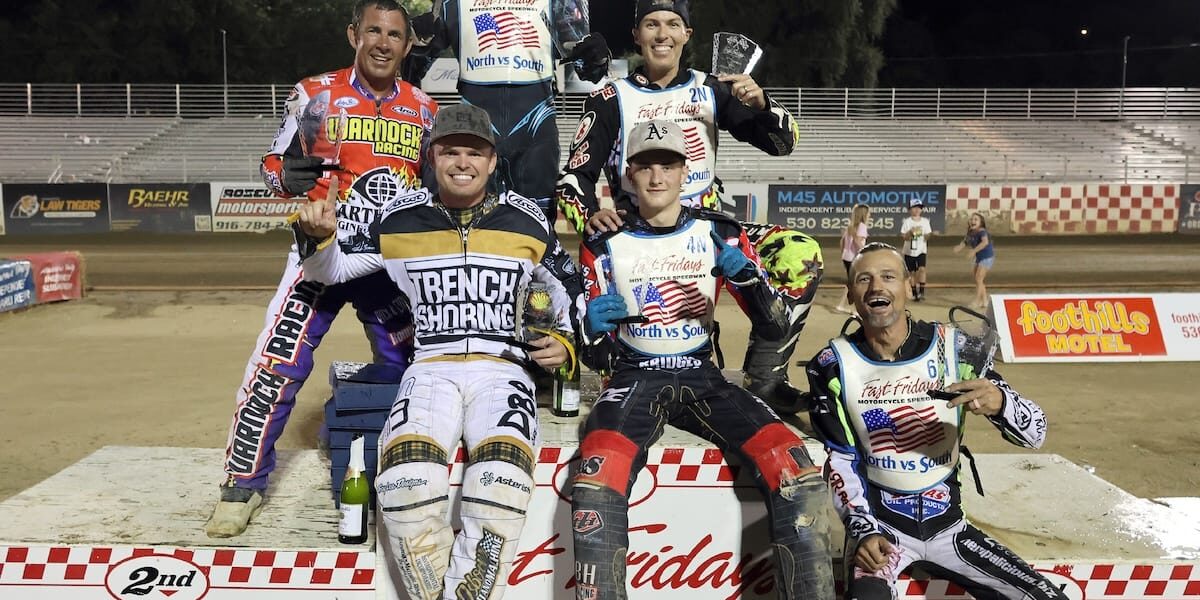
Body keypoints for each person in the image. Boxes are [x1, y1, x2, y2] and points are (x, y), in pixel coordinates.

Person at [295, 103, 579, 600]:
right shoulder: (397, 218)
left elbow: (568, 290)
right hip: (429, 369)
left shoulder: (529, 219)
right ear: (432, 156)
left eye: (475, 152)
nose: (462, 162)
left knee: (500, 483)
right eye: (450, 151)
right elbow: (332, 272)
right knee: (403, 485)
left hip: (503, 370)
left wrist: (563, 343)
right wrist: (317, 240)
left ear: (492, 161)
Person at [572, 120, 833, 600]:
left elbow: (775, 327)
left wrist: (752, 283)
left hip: (703, 377)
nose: (656, 178)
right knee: (594, 480)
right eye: (645, 166)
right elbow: (594, 353)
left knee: (798, 472)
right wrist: (591, 328)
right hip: (633, 377)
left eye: (667, 166)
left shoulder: (722, 234)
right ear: (628, 175)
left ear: (684, 171)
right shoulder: (601, 242)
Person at [205, 0, 439, 538]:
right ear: (353, 34)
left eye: (395, 35)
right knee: (276, 364)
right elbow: (271, 168)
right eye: (373, 31)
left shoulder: (424, 108)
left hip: (387, 261)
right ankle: (242, 484)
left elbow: (431, 182)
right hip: (321, 252)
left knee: (420, 367)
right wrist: (286, 175)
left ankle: (416, 476)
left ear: (408, 45)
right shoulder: (314, 94)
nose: (383, 43)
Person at [557, 0, 822, 414]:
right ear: (637, 35)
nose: (662, 34)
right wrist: (590, 213)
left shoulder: (714, 88)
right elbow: (573, 179)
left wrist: (763, 104)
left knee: (800, 251)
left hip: (709, 235)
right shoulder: (609, 97)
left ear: (686, 35)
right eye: (651, 24)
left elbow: (784, 144)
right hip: (639, 239)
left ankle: (766, 378)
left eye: (672, 24)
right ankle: (619, 369)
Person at [805, 243, 1066, 600]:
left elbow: (1036, 432)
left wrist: (1001, 402)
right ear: (850, 295)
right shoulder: (832, 364)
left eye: (888, 276)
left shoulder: (957, 350)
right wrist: (862, 529)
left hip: (951, 531)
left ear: (909, 287)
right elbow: (840, 459)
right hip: (881, 533)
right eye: (863, 279)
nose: (877, 287)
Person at [402, 0, 610, 222]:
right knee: (466, 227)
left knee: (536, 229)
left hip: (534, 129)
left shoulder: (558, 2)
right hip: (478, 134)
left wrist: (595, 56)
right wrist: (412, 42)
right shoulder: (451, 4)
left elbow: (588, 70)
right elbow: (409, 72)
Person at [954, 212, 993, 310]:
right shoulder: (971, 232)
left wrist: (973, 251)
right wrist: (959, 247)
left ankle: (977, 301)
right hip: (979, 257)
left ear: (981, 222)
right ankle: (984, 300)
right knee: (978, 279)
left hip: (986, 257)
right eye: (972, 219)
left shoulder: (982, 232)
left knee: (979, 279)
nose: (973, 221)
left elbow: (985, 242)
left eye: (976, 219)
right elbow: (965, 241)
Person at [836, 203, 870, 313]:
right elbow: (857, 242)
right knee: (858, 282)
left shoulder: (850, 227)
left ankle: (842, 304)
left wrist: (845, 253)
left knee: (853, 282)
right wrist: (866, 252)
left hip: (847, 257)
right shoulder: (862, 227)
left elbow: (842, 242)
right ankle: (859, 306)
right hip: (855, 258)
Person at [899, 199, 932, 301]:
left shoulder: (925, 222)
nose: (917, 210)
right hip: (909, 251)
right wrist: (910, 233)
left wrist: (925, 235)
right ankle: (914, 292)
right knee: (911, 272)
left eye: (919, 208)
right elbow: (904, 236)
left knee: (922, 269)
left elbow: (928, 235)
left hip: (921, 250)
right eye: (915, 207)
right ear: (910, 209)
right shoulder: (907, 222)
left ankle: (921, 292)